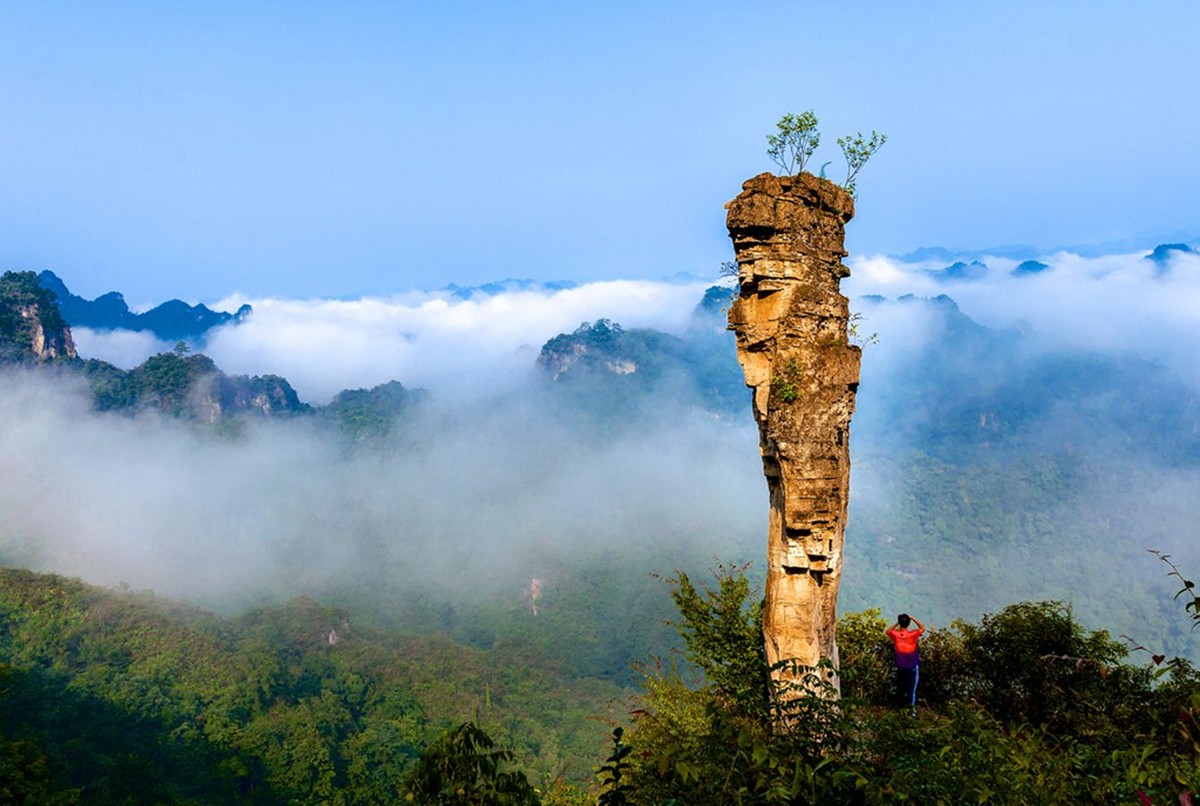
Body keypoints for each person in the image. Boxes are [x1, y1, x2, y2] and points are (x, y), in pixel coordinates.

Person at [886, 613, 925, 714]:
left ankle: (901, 710)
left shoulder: (896, 635)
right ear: (908, 623)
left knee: (901, 688)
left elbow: (888, 631)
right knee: (911, 690)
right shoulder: (913, 634)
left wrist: (897, 623)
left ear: (900, 623)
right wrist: (913, 618)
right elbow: (922, 628)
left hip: (901, 666)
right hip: (912, 666)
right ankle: (911, 712)